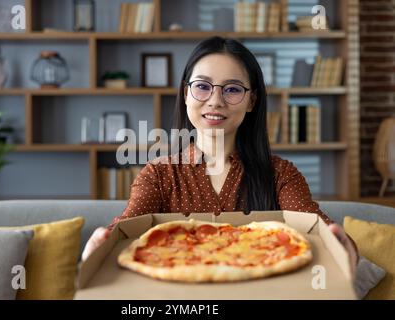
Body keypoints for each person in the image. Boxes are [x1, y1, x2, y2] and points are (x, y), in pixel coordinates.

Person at [82, 36, 358, 274]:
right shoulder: (158, 174)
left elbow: (319, 229)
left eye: (233, 89)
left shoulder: (281, 174)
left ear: (252, 101)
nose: (215, 100)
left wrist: (342, 247)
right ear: (186, 94)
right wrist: (100, 246)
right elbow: (125, 230)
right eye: (202, 86)